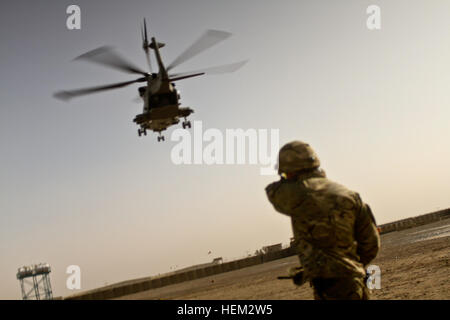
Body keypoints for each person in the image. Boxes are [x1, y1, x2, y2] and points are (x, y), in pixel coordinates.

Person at [266, 141, 380, 300]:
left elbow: (272, 191)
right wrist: (347, 266)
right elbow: (371, 244)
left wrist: (286, 177)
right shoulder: (349, 195)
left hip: (332, 291)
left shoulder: (296, 195)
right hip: (355, 285)